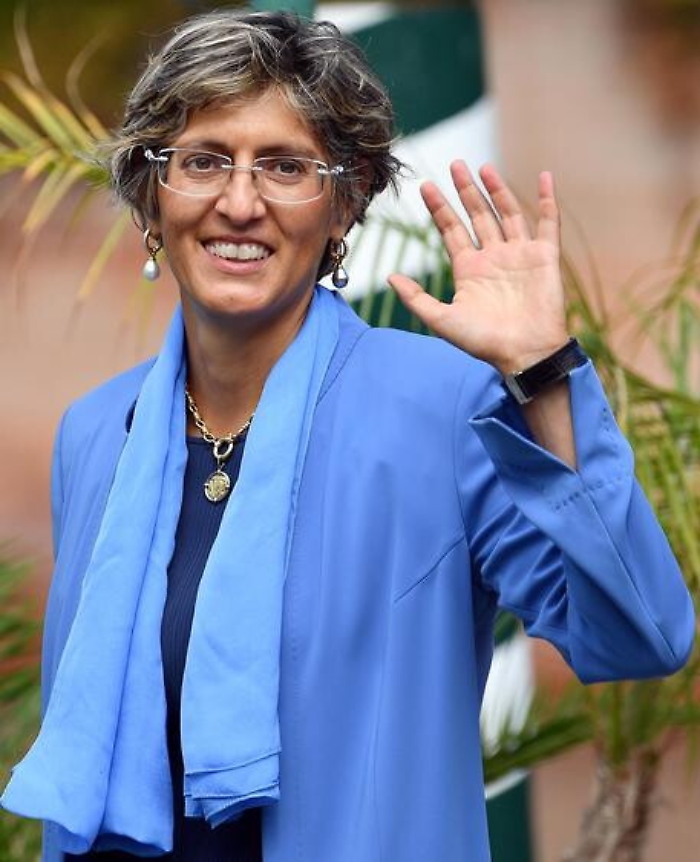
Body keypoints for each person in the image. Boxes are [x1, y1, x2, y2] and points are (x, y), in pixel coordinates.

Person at [1, 10, 694, 862]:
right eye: (204, 160)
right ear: (153, 194)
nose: (240, 203)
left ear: (344, 204)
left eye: (285, 166)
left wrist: (544, 372)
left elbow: (640, 634)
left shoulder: (442, 408)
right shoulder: (97, 432)